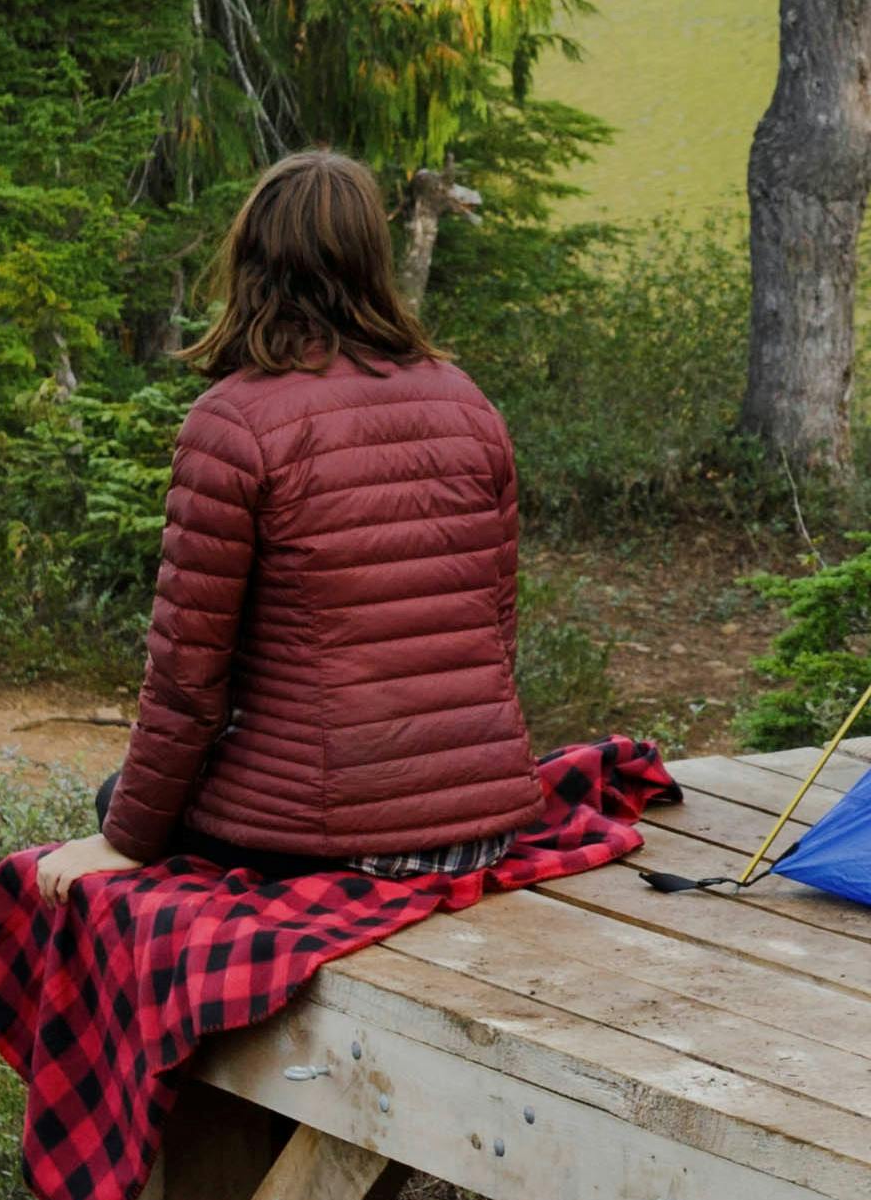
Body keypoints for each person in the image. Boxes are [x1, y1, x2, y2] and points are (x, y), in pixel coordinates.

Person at [30, 151, 540, 895]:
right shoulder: (468, 403)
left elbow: (187, 679)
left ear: (253, 260)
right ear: (373, 260)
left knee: (119, 802)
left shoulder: (233, 422)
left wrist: (126, 840)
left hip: (338, 838)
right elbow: (497, 633)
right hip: (483, 825)